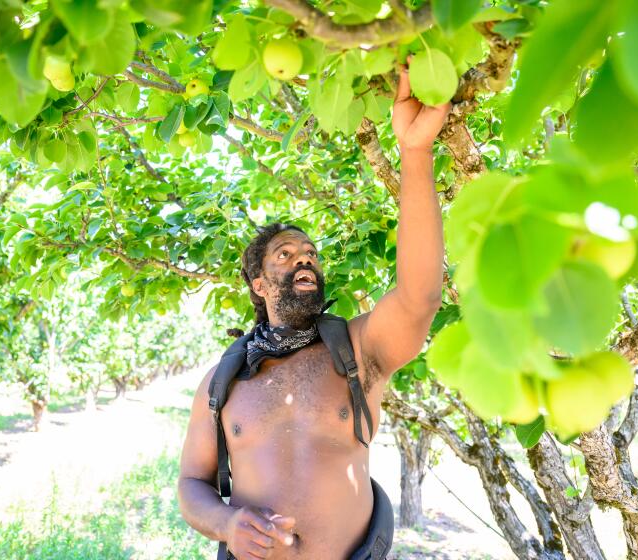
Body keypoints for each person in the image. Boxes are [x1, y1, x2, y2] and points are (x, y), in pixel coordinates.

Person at [177, 61, 451, 560]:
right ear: (259, 284)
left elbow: (420, 296)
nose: (304, 257)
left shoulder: (358, 349)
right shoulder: (223, 381)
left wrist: (416, 152)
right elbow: (191, 485)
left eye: (309, 253)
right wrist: (227, 523)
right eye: (285, 254)